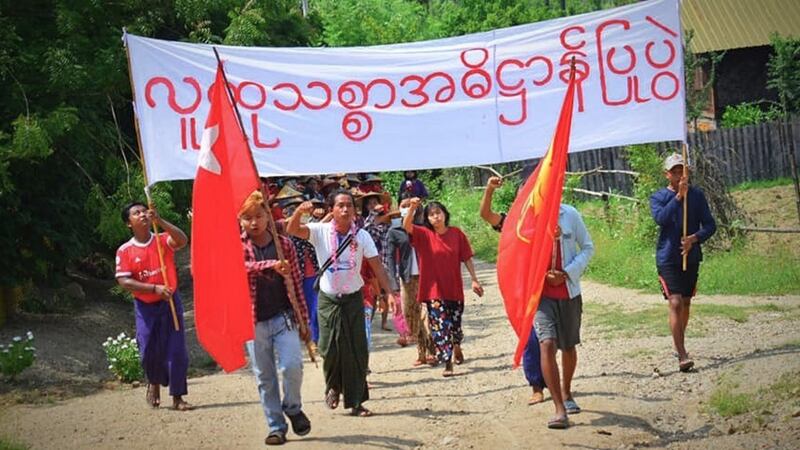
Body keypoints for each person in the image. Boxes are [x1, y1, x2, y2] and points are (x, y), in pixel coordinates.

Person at [286, 189, 395, 417]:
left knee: (357, 351)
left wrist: (390, 294)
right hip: (328, 300)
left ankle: (356, 402)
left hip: (354, 298)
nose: (345, 209)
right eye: (340, 205)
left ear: (355, 211)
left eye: (349, 205)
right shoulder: (320, 231)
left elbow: (377, 267)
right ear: (332, 210)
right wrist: (299, 212)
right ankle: (333, 386)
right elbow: (292, 230)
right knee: (328, 347)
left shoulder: (362, 237)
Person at [239, 191, 312, 445]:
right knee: (265, 377)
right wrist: (269, 265)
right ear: (241, 221)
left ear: (268, 217)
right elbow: (239, 269)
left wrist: (304, 320)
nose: (254, 222)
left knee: (292, 365)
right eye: (248, 218)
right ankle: (276, 426)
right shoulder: (238, 247)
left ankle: (292, 407)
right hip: (253, 321)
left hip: (284, 317)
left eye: (259, 216)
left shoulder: (285, 245)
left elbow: (296, 284)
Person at [114, 202, 192, 411]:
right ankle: (154, 382)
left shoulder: (162, 239)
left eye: (143, 211)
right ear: (128, 223)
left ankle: (178, 396)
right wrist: (154, 289)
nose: (142, 215)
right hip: (145, 306)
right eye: (136, 213)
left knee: (177, 350)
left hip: (170, 302)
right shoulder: (125, 250)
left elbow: (183, 240)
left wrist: (161, 221)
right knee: (148, 349)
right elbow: (124, 281)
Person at [479, 176, 547, 406]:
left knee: (550, 339)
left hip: (547, 286)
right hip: (520, 290)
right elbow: (486, 215)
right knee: (529, 338)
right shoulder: (511, 223)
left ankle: (558, 384)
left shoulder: (548, 220)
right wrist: (489, 190)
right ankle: (536, 385)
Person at [528, 200, 594, 429]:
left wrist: (567, 273)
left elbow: (587, 247)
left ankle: (567, 391)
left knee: (568, 346)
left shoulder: (570, 214)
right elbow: (521, 252)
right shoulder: (527, 218)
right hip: (541, 295)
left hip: (568, 292)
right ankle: (559, 408)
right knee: (546, 343)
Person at [650, 152, 716, 373]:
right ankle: (682, 353)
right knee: (675, 302)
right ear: (666, 174)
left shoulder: (697, 196)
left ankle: (679, 342)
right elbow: (661, 219)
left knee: (686, 303)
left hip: (691, 256)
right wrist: (678, 197)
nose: (679, 174)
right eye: (675, 171)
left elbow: (709, 225)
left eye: (682, 170)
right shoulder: (658, 197)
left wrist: (694, 239)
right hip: (668, 257)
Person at [403, 198, 484, 377]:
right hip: (433, 290)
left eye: (438, 213)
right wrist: (412, 209)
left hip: (454, 289)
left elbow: (467, 257)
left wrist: (474, 279)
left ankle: (456, 345)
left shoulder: (456, 234)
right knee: (439, 326)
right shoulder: (424, 235)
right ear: (427, 219)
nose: (436, 217)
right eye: (431, 215)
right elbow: (407, 226)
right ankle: (447, 362)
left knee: (455, 325)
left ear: (445, 215)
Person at [385, 192, 436, 366]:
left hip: (427, 276)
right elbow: (389, 258)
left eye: (410, 205)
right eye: (403, 206)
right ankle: (421, 351)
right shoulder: (394, 231)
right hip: (407, 278)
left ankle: (431, 351)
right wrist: (392, 284)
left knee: (428, 313)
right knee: (411, 315)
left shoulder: (426, 228)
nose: (407, 209)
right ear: (398, 209)